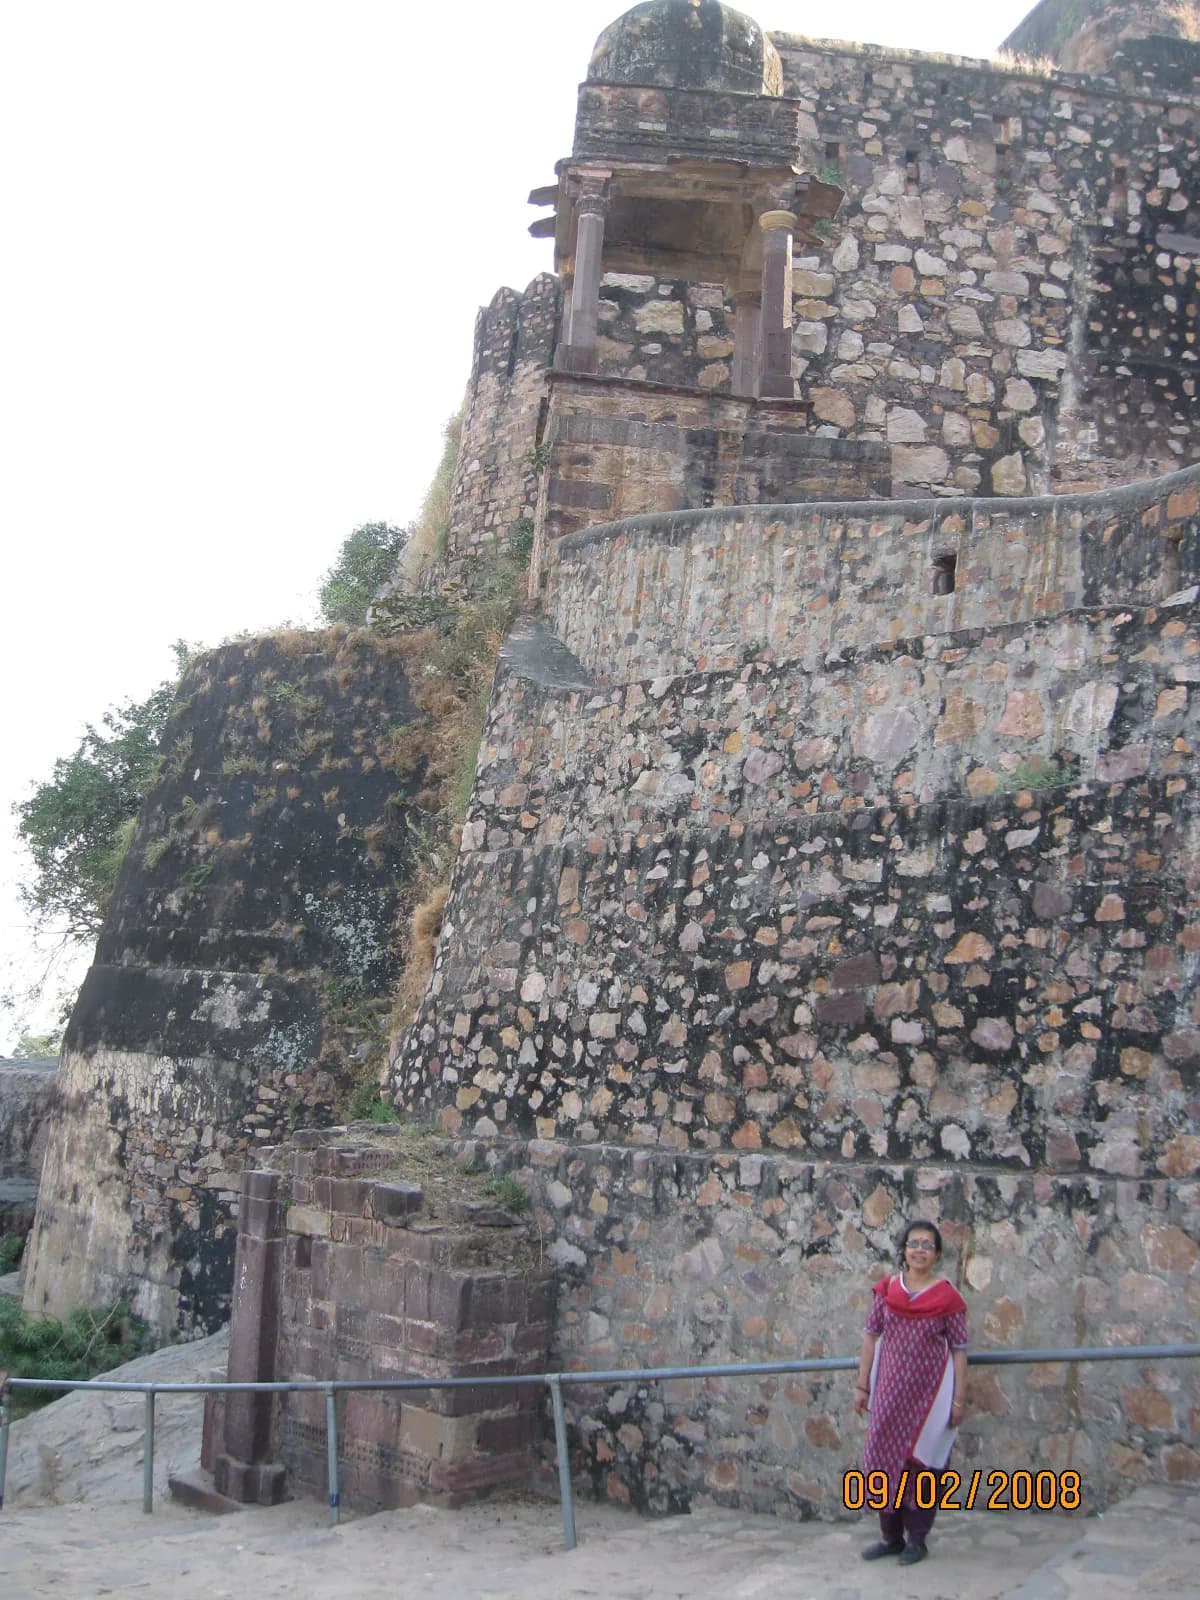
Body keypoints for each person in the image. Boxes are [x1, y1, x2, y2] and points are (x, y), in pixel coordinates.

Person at [852, 1219, 968, 1565]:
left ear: (936, 1254)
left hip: (929, 1399)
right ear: (903, 1249)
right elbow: (871, 1337)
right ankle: (891, 1538)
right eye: (913, 1243)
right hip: (889, 1394)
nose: (919, 1250)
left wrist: (958, 1399)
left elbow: (960, 1349)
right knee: (882, 1463)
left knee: (923, 1466)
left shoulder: (948, 1298)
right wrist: (863, 1386)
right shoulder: (887, 1290)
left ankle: (917, 1540)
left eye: (927, 1245)